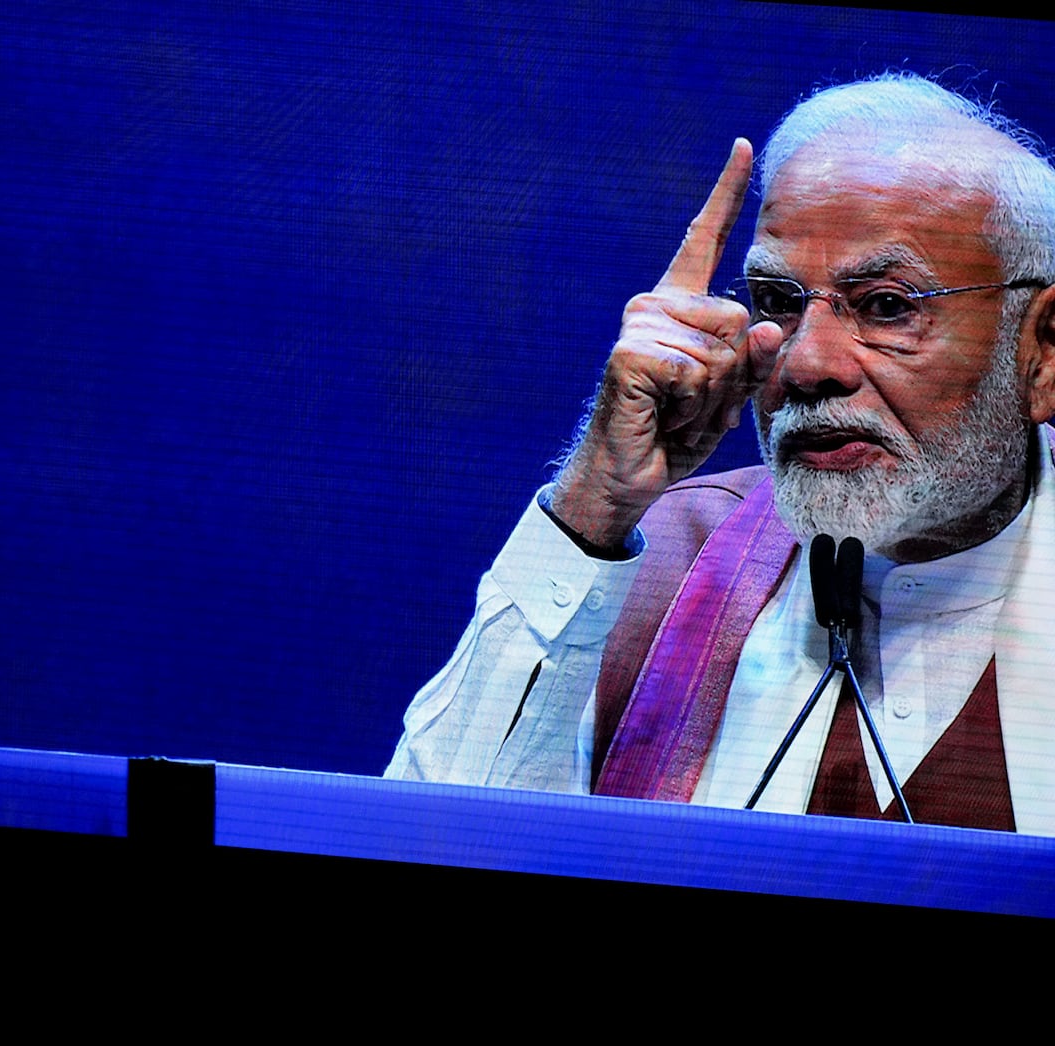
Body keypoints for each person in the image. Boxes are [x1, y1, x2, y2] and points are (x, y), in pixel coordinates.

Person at [386, 74, 1055, 834]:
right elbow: (427, 841)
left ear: (1043, 349)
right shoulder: (662, 567)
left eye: (887, 306)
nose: (806, 365)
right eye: (777, 301)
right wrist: (593, 506)